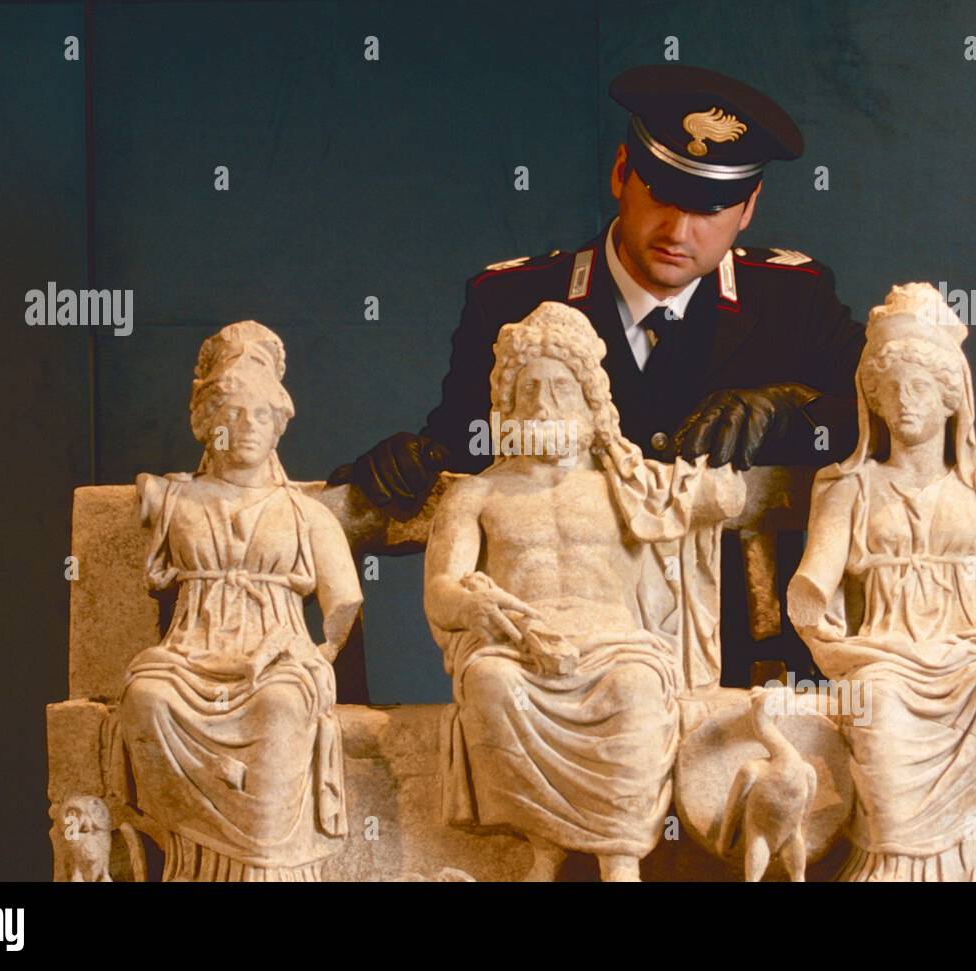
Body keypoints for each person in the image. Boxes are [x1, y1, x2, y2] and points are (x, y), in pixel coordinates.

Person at [331, 64, 865, 684]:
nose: (678, 230)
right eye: (662, 195)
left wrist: (790, 408)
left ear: (748, 209)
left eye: (709, 208)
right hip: (570, 651)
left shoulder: (791, 298)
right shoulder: (512, 300)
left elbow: (882, 420)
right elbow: (471, 444)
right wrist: (406, 464)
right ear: (620, 173)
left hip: (749, 648)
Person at [424, 302, 745, 881]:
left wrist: (748, 424)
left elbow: (725, 499)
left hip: (615, 646)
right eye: (529, 391)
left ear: (591, 402)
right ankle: (541, 850)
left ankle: (619, 859)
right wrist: (474, 605)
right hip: (517, 647)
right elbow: (442, 590)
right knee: (489, 683)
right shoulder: (476, 495)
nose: (544, 405)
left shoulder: (629, 485)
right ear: (506, 407)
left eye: (561, 389)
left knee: (638, 690)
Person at [787, 284, 976, 881]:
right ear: (874, 404)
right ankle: (889, 864)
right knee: (880, 703)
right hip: (886, 649)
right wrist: (816, 614)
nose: (904, 403)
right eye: (888, 391)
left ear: (950, 400)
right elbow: (815, 579)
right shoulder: (850, 488)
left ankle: (975, 864)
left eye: (918, 388)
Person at [115, 321, 363, 881]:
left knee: (280, 706)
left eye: (259, 414)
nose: (244, 426)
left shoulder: (306, 513)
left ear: (279, 424)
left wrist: (317, 655)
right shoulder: (172, 499)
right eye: (229, 412)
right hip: (187, 656)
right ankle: (193, 863)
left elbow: (343, 600)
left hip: (277, 657)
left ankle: (268, 868)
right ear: (206, 424)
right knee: (146, 697)